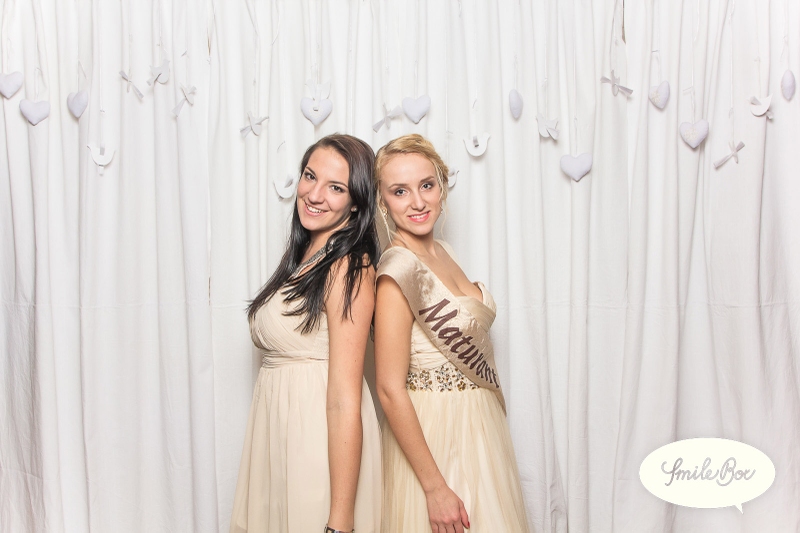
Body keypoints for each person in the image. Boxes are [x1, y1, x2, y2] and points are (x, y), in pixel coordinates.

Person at [373, 134, 529, 533]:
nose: (417, 202)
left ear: (442, 187)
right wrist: (435, 487)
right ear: (383, 201)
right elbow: (389, 389)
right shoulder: (397, 272)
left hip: (480, 428)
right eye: (400, 191)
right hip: (434, 433)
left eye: (426, 185)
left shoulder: (444, 251)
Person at [229, 134, 382, 533]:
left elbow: (344, 399)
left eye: (336, 187)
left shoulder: (349, 267)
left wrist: (340, 518)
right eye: (310, 176)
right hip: (280, 436)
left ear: (357, 201)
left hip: (316, 444)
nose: (314, 195)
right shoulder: (307, 257)